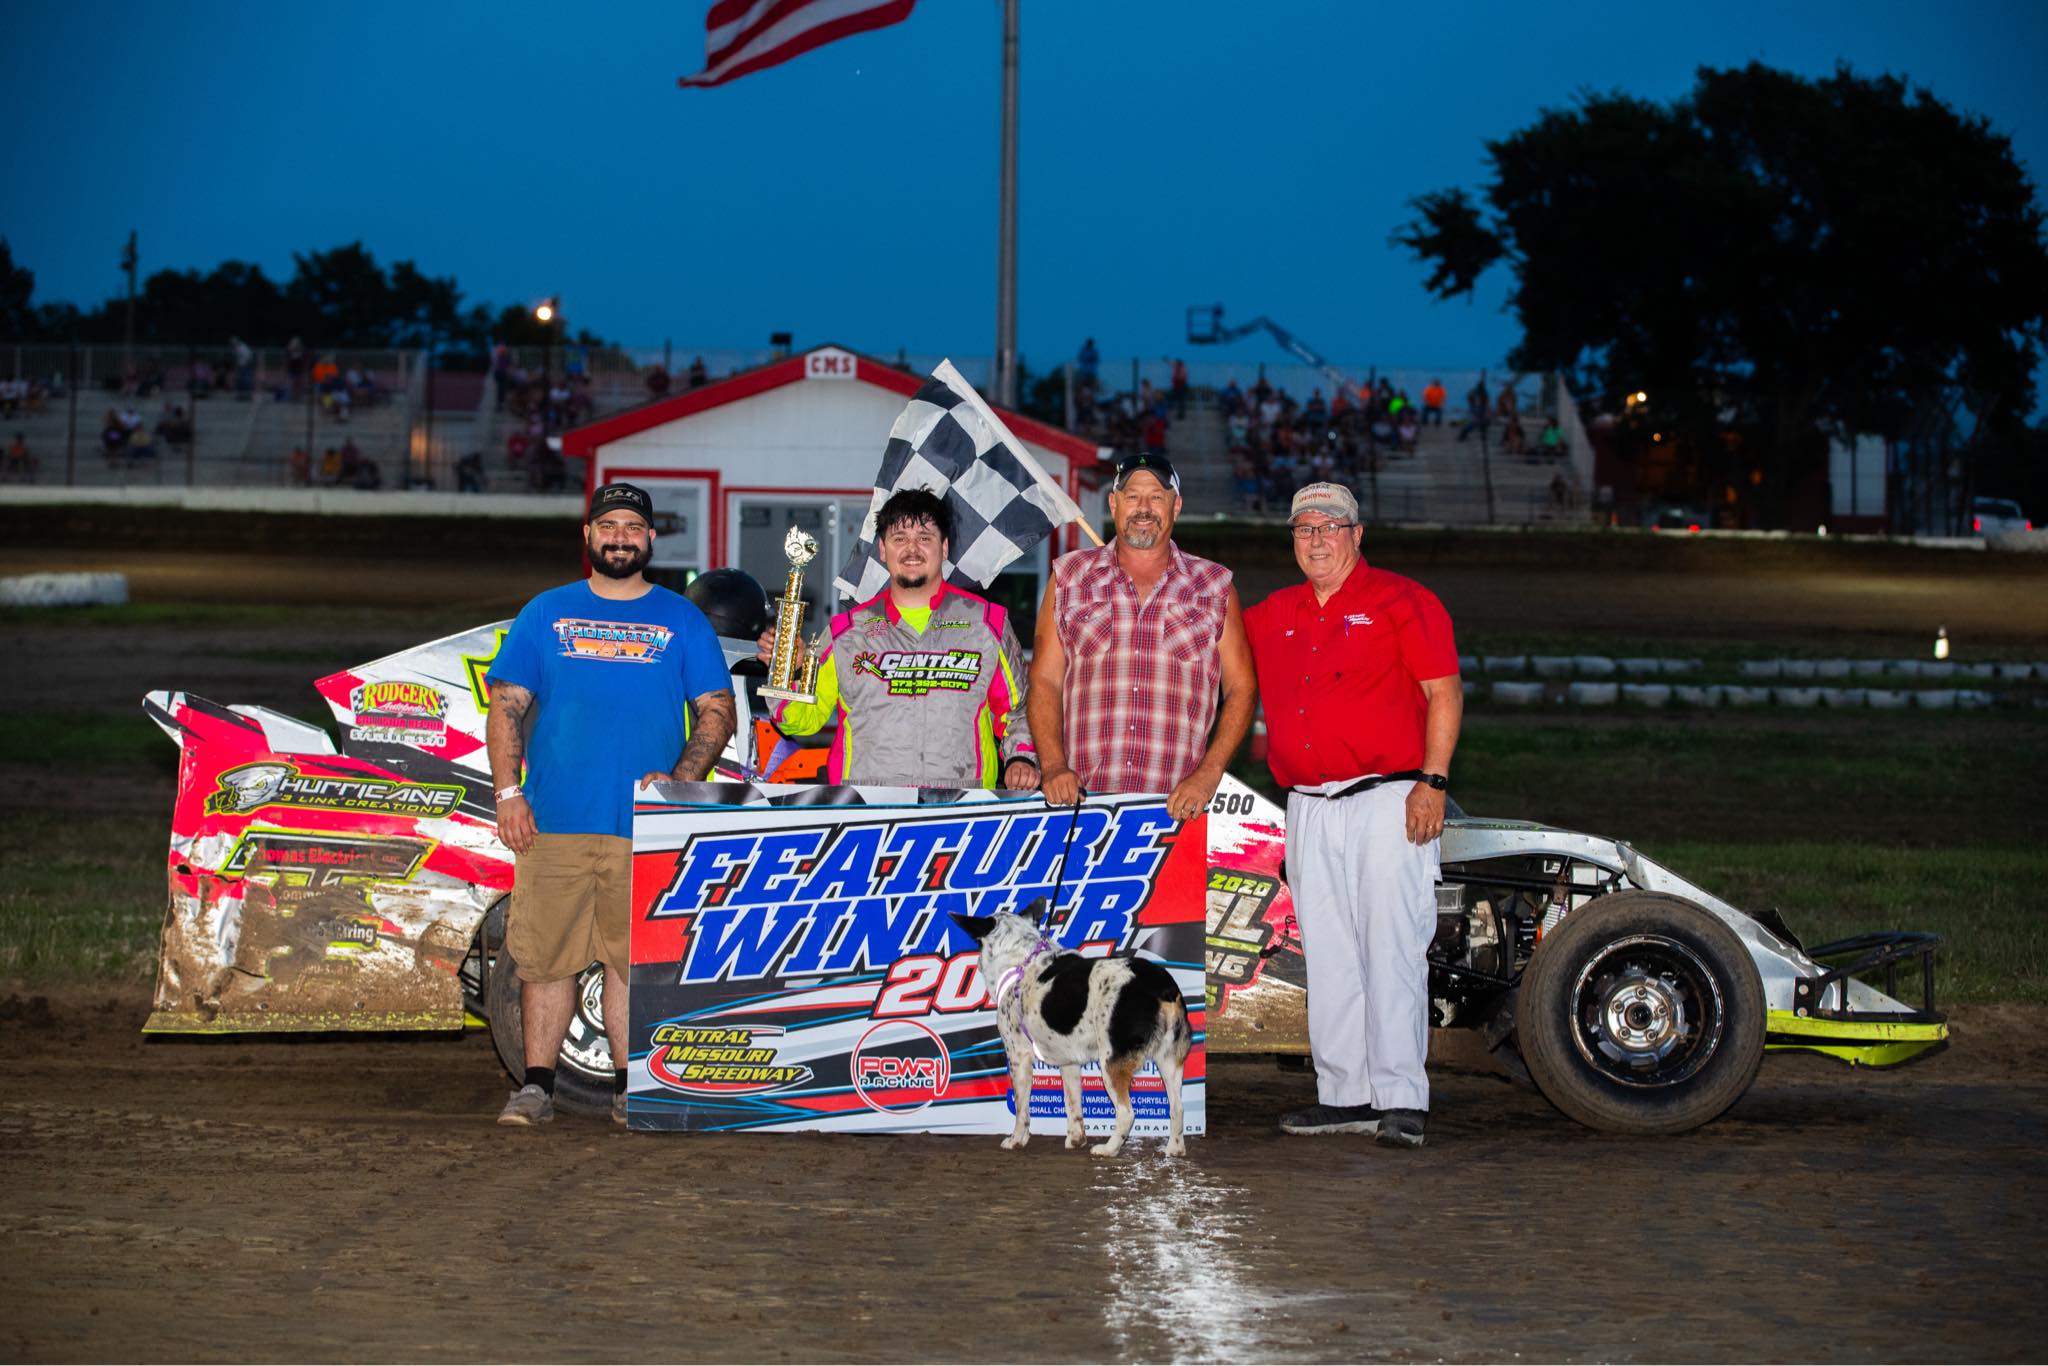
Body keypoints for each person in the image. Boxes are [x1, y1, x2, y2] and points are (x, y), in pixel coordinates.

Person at [486, 482, 736, 1128]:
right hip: (553, 822)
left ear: (651, 539)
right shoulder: (546, 612)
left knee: (634, 963)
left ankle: (633, 1090)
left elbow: (717, 711)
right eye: (608, 525)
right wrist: (509, 793)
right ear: (589, 536)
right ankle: (536, 1088)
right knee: (545, 960)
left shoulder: (682, 619)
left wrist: (679, 780)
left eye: (632, 525)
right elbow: (507, 705)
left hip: (645, 828)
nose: (620, 536)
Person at [1243, 482, 1462, 1149]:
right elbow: (1199, 640)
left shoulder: (1404, 599)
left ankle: (1400, 1095)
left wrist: (1432, 781)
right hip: (1308, 804)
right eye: (1304, 527)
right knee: (1331, 953)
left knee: (1390, 944)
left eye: (1330, 526)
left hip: (1387, 796)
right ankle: (1344, 1093)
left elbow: (1444, 692)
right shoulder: (1273, 612)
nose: (1316, 538)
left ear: (1357, 533)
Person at [756, 487, 1039, 791]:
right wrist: (786, 670)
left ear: (944, 548)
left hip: (962, 810)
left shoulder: (986, 624)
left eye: (924, 538)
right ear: (882, 549)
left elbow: (1018, 710)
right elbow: (801, 720)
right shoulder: (847, 632)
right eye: (899, 538)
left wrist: (1020, 758)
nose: (912, 549)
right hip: (867, 812)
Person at [1028, 452, 1256, 821]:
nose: (1144, 508)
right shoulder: (1069, 576)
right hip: (1082, 802)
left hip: (1178, 808)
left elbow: (1242, 687)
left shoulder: (1215, 585)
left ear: (1176, 506)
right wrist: (1053, 766)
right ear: (1114, 504)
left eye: (1157, 496)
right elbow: (1044, 679)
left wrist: (1209, 774)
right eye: (1132, 496)